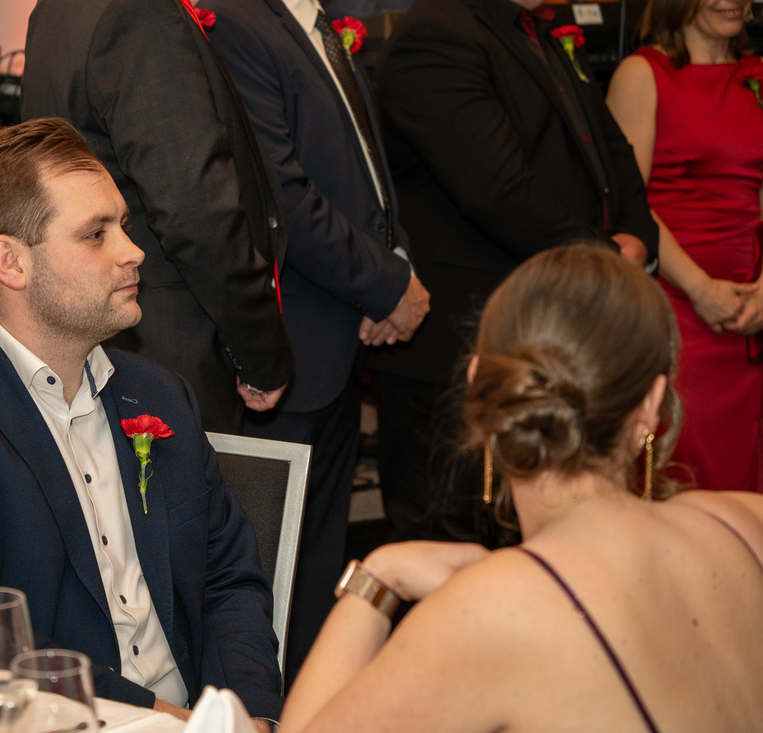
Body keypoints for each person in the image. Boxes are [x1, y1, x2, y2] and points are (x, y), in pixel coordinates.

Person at [0, 119, 282, 727]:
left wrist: (249, 716)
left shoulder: (160, 394)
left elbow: (229, 580)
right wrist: (162, 717)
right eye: (96, 234)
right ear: (11, 262)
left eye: (124, 225)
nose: (133, 251)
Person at [280, 244, 763, 732]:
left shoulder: (497, 611)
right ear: (651, 404)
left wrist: (378, 578)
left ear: (478, 386)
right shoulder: (748, 521)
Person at [370, 0, 659, 546]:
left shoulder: (541, 28)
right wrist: (603, 259)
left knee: (537, 540)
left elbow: (609, 150)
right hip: (458, 346)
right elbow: (497, 190)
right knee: (453, 542)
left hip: (543, 332)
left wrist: (638, 235)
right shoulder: (437, 33)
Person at [203, 0, 428, 685]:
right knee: (264, 583)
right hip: (288, 343)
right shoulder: (238, 21)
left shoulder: (319, 22)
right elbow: (284, 197)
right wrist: (384, 286)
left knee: (315, 573)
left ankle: (308, 705)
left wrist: (395, 267)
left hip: (336, 339)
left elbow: (367, 176)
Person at [20, 0, 294, 434]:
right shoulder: (139, 10)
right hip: (169, 343)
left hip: (95, 325)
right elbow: (198, 214)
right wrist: (260, 351)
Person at [606, 0, 763, 493]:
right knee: (686, 474)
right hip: (676, 311)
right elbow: (627, 202)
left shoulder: (757, 74)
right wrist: (700, 289)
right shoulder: (642, 74)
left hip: (755, 315)